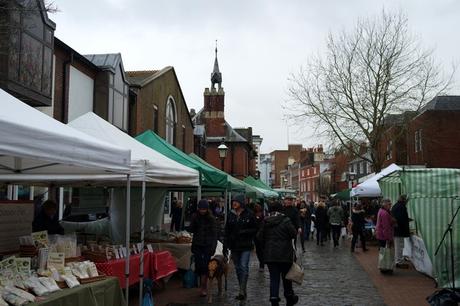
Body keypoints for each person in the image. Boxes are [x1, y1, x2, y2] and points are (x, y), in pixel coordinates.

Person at [257, 201, 299, 306]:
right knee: (286, 277)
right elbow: (294, 234)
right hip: (285, 254)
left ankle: (274, 299)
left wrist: (266, 246)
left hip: (270, 255)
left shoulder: (265, 221)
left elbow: (259, 237)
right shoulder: (286, 220)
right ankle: (289, 297)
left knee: (274, 278)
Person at [224, 194, 258, 300]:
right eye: (233, 201)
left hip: (246, 245)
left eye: (236, 201)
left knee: (243, 266)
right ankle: (242, 287)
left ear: (241, 203)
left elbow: (255, 229)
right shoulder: (231, 214)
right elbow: (227, 230)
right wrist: (225, 245)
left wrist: (244, 232)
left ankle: (242, 290)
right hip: (234, 246)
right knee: (238, 268)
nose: (234, 203)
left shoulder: (249, 214)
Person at [189, 199, 218, 297]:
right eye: (201, 209)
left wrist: (213, 247)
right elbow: (192, 230)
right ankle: (200, 283)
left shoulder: (211, 219)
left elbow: (215, 234)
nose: (202, 211)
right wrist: (193, 221)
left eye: (204, 209)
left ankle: (203, 287)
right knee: (198, 265)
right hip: (197, 244)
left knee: (205, 266)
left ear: (207, 209)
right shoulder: (195, 217)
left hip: (207, 245)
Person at [375, 199, 394, 272]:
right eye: (389, 204)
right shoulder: (385, 213)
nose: (390, 206)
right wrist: (388, 238)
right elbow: (386, 227)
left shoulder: (381, 210)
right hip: (383, 236)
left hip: (380, 234)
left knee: (382, 252)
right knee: (385, 252)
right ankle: (385, 267)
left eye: (390, 204)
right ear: (384, 205)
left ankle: (383, 266)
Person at [253, 203, 265, 272]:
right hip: (255, 236)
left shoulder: (262, 216)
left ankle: (262, 264)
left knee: (261, 250)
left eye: (259, 211)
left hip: (261, 236)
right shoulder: (253, 216)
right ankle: (261, 262)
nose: (258, 213)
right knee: (258, 251)